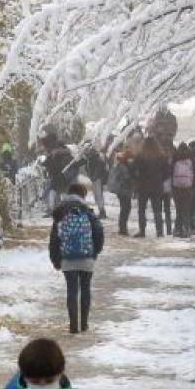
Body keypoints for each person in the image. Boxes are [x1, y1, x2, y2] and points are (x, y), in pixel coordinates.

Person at [49, 183, 104, 334]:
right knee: (85, 289)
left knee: (71, 291)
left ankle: (73, 326)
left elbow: (54, 238)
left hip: (67, 258)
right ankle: (84, 324)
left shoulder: (60, 212)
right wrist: (94, 252)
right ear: (82, 195)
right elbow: (98, 231)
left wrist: (56, 259)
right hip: (86, 257)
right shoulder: (87, 211)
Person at [131, 137, 169, 238]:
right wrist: (161, 179)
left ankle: (142, 231)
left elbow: (133, 170)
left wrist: (137, 179)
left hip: (143, 186)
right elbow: (167, 172)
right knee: (157, 210)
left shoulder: (140, 156)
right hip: (157, 186)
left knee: (142, 209)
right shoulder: (162, 156)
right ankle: (159, 231)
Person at [107, 150, 133, 236]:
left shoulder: (120, 165)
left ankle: (122, 228)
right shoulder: (123, 167)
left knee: (124, 209)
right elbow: (127, 178)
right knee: (126, 209)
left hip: (122, 191)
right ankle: (123, 229)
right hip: (124, 191)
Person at [82, 143, 109, 219]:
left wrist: (94, 177)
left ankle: (102, 212)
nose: (86, 153)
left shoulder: (96, 158)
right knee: (96, 195)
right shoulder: (90, 159)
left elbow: (98, 169)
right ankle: (101, 211)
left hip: (97, 179)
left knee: (98, 195)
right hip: (94, 178)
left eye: (87, 151)